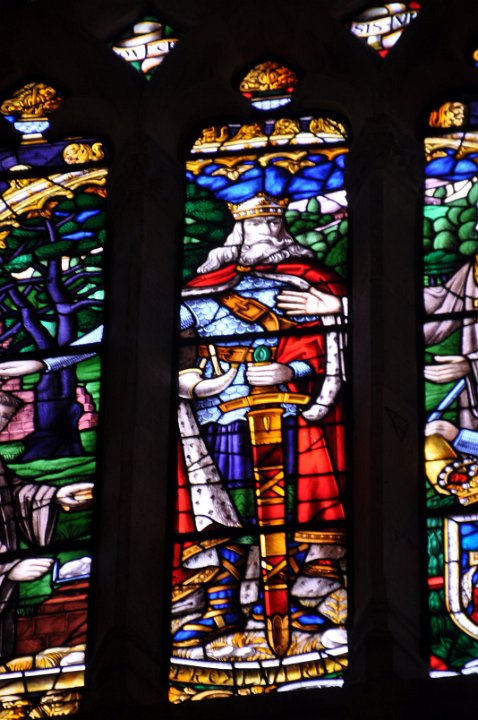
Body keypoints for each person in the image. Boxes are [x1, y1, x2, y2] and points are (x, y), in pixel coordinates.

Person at [173, 194, 347, 648]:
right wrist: (191, 380)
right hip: (220, 417)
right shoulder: (202, 289)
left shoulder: (307, 285)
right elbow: (168, 338)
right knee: (225, 507)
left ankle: (285, 601)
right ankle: (223, 603)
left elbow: (323, 345)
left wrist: (293, 370)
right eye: (255, 224)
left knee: (288, 504)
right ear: (237, 232)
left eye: (272, 223)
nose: (265, 233)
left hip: (289, 412)